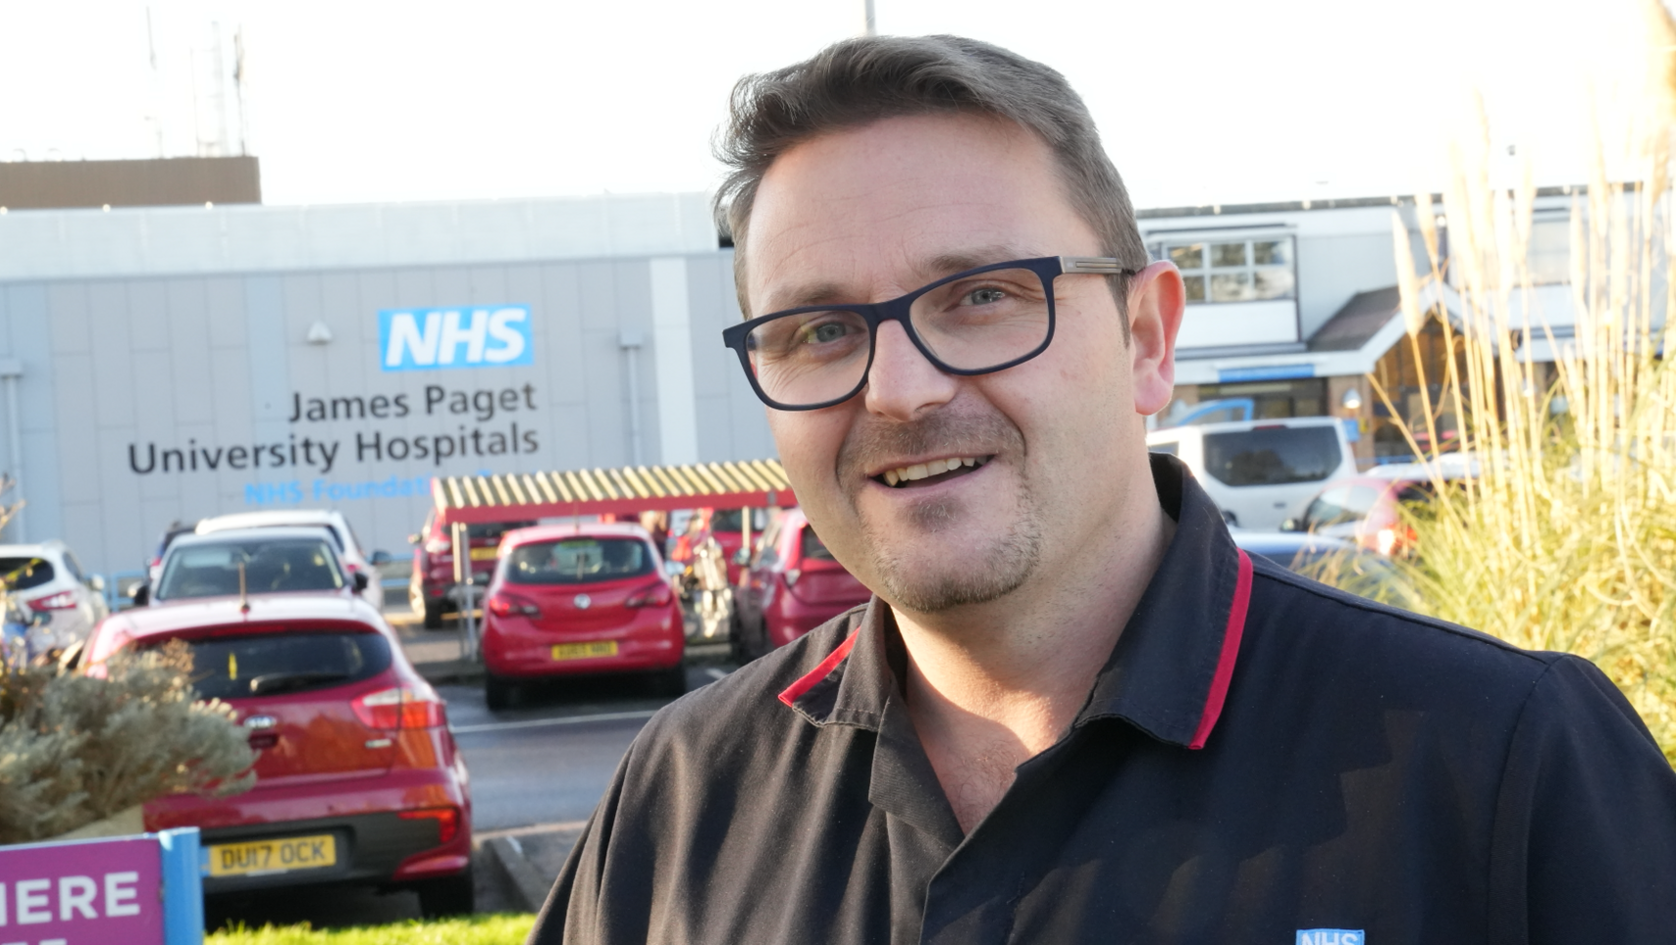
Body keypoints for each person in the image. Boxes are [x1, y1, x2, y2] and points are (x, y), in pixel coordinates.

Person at [530, 35, 1676, 944]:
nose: (901, 389)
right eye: (820, 329)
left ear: (1145, 336)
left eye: (981, 297)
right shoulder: (683, 802)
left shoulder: (1503, 766)